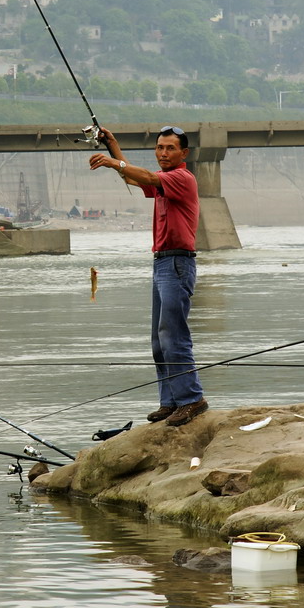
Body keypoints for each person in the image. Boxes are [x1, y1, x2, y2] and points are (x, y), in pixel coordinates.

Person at [89, 126, 208, 427]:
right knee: (159, 340)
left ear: (184, 153)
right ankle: (170, 401)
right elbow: (134, 177)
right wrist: (114, 145)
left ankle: (191, 399)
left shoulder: (182, 178)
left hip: (178, 264)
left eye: (170, 148)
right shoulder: (163, 181)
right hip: (161, 264)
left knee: (174, 335)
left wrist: (113, 161)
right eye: (159, 148)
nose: (164, 153)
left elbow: (149, 177)